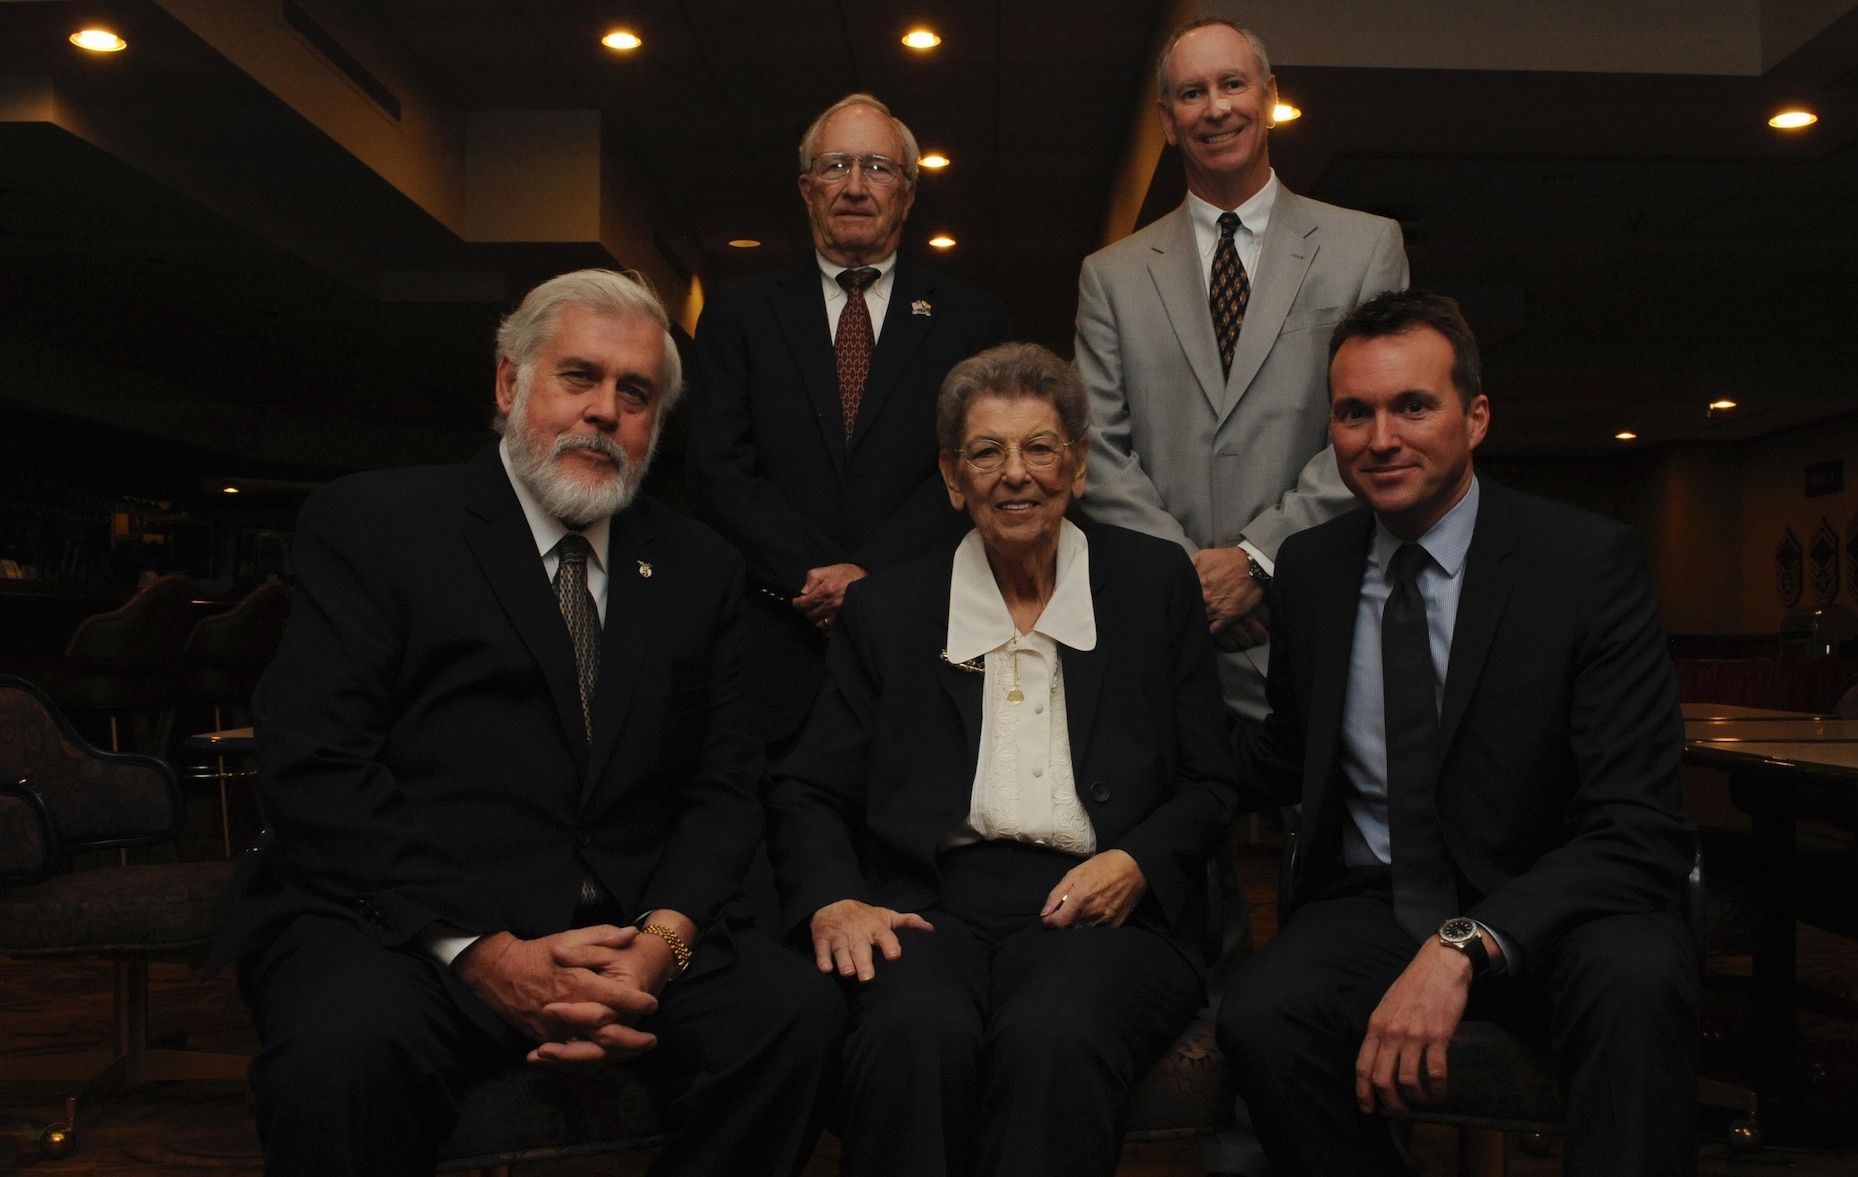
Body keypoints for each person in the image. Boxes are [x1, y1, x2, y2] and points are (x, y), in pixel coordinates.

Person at [211, 269, 844, 1177]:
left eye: (635, 394)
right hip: (409, 926)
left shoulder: (701, 567)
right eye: (578, 377)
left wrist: (660, 948)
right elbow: (319, 765)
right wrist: (488, 953)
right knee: (340, 1053)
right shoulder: (379, 524)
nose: (604, 412)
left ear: (656, 425)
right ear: (511, 385)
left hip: (628, 934)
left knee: (794, 1019)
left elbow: (724, 786)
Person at [1217, 290, 1700, 1176]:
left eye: (1413, 405)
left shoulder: (1587, 564)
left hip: (1559, 902)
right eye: (1354, 412)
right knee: (1261, 1013)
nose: (1380, 438)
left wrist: (1467, 941)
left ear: (1475, 417)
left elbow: (1639, 826)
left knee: (1640, 982)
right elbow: (1285, 754)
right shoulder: (1315, 571)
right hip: (1377, 898)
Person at [765, 342, 1237, 1177]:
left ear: (1080, 466)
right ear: (954, 479)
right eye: (987, 452)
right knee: (914, 1033)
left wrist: (1137, 859)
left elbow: (1211, 779)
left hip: (1107, 909)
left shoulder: (1151, 583)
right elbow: (807, 786)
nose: (1015, 474)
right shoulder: (890, 608)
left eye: (1040, 447)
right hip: (931, 905)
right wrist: (835, 899)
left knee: (1053, 1034)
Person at [1074, 16, 1408, 720]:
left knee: (1326, 826)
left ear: (1270, 95)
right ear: (1167, 120)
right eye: (1193, 93)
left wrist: (1258, 563)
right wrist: (1191, 584)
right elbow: (1098, 450)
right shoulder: (1110, 276)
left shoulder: (1367, 248)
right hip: (1167, 636)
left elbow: (1381, 426)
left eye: (1233, 84)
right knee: (1171, 824)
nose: (1217, 106)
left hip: (1316, 618)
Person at [690, 92, 1011, 751]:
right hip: (770, 645)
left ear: (909, 192)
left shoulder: (973, 322)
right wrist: (818, 577)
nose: (856, 186)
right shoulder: (737, 316)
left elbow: (978, 468)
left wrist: (871, 580)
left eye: (878, 167)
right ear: (807, 187)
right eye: (836, 166)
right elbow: (718, 472)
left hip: (920, 639)